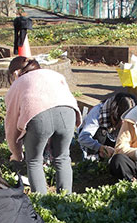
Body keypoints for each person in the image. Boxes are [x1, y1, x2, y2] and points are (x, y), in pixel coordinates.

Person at [5, 56, 81, 194]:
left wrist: (16, 154)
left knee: (34, 161)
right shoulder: (54, 74)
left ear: (15, 73)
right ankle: (67, 201)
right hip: (68, 112)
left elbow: (11, 126)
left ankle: (42, 204)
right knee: (62, 157)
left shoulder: (18, 83)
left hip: (38, 116)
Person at [77, 92, 136, 160]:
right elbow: (83, 137)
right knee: (101, 132)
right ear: (114, 113)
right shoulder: (97, 113)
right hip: (95, 142)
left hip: (112, 141)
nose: (123, 123)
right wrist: (101, 148)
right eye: (121, 120)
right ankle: (94, 155)